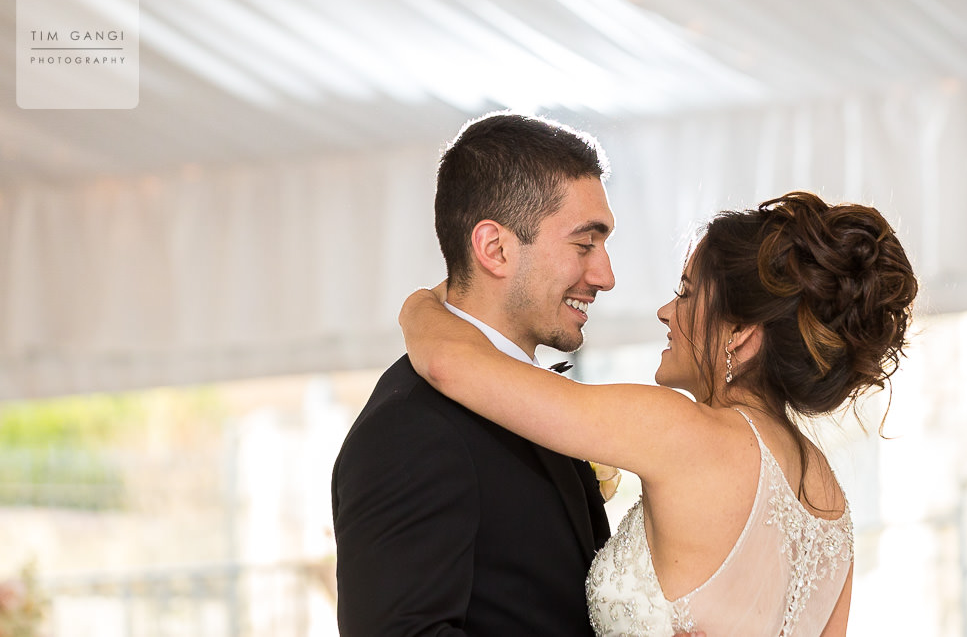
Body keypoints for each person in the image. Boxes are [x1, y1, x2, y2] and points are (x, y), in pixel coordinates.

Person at [400, 191, 919, 635]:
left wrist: (422, 303)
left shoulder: (681, 430)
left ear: (740, 333)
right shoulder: (833, 508)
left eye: (688, 292)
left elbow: (449, 365)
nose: (666, 311)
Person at [333, 112, 706, 636]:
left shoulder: (544, 402)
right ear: (495, 248)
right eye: (584, 244)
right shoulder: (410, 430)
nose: (606, 276)